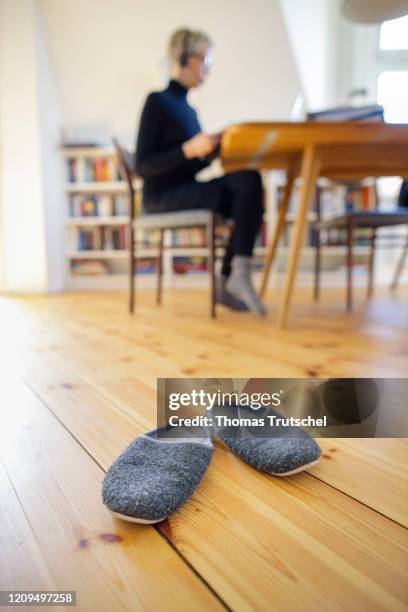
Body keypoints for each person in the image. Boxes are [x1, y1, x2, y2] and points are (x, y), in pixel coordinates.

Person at [135, 28, 267, 315]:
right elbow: (142, 167)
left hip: (185, 188)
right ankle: (234, 277)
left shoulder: (189, 111)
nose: (207, 69)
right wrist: (188, 149)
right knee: (246, 186)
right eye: (204, 60)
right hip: (160, 197)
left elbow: (191, 167)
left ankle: (230, 278)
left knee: (248, 184)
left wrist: (211, 151)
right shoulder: (157, 102)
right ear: (183, 57)